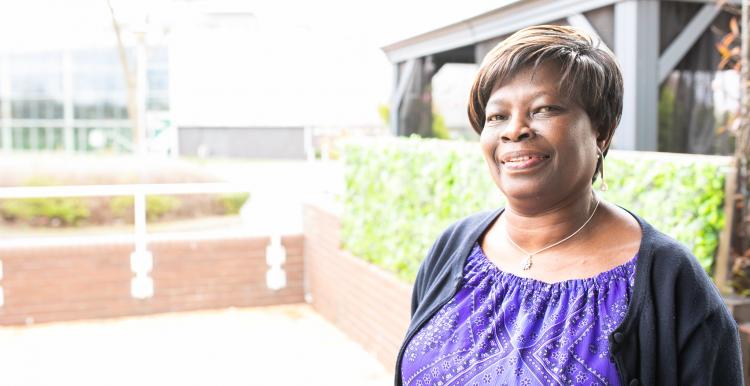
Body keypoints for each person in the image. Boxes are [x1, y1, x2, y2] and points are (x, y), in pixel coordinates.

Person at [395, 25, 743, 386]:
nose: (515, 130)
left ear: (602, 130)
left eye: (544, 109)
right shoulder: (453, 249)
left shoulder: (669, 282)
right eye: (497, 116)